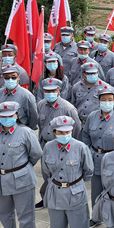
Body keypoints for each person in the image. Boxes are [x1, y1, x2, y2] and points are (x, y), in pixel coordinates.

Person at [42, 116, 93, 228]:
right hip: (56, 192)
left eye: (67, 131)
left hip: (75, 193)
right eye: (60, 132)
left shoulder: (80, 147)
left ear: (72, 131)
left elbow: (88, 170)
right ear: (54, 132)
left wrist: (74, 183)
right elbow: (45, 170)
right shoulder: (48, 147)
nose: (64, 134)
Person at [82, 84, 114, 227]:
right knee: (96, 191)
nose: (107, 102)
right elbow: (85, 135)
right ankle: (97, 217)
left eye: (110, 99)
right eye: (104, 99)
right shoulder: (92, 116)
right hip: (96, 159)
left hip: (113, 160)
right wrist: (89, 151)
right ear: (99, 101)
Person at [36, 77, 81, 209]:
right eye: (46, 90)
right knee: (46, 174)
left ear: (59, 91)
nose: (49, 93)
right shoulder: (41, 104)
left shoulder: (68, 108)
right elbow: (41, 124)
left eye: (53, 90)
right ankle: (45, 198)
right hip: (46, 145)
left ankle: (62, 200)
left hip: (62, 146)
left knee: (62, 175)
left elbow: (76, 128)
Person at [0, 43, 30, 113]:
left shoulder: (22, 72)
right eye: (4, 55)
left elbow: (25, 94)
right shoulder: (0, 70)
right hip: (1, 104)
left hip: (16, 108)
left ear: (15, 57)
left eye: (10, 55)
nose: (7, 57)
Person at [0, 64, 38, 130]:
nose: (10, 79)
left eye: (13, 77)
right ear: (3, 78)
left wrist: (27, 131)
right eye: (7, 77)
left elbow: (34, 117)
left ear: (18, 78)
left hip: (20, 130)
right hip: (2, 130)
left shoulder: (27, 95)